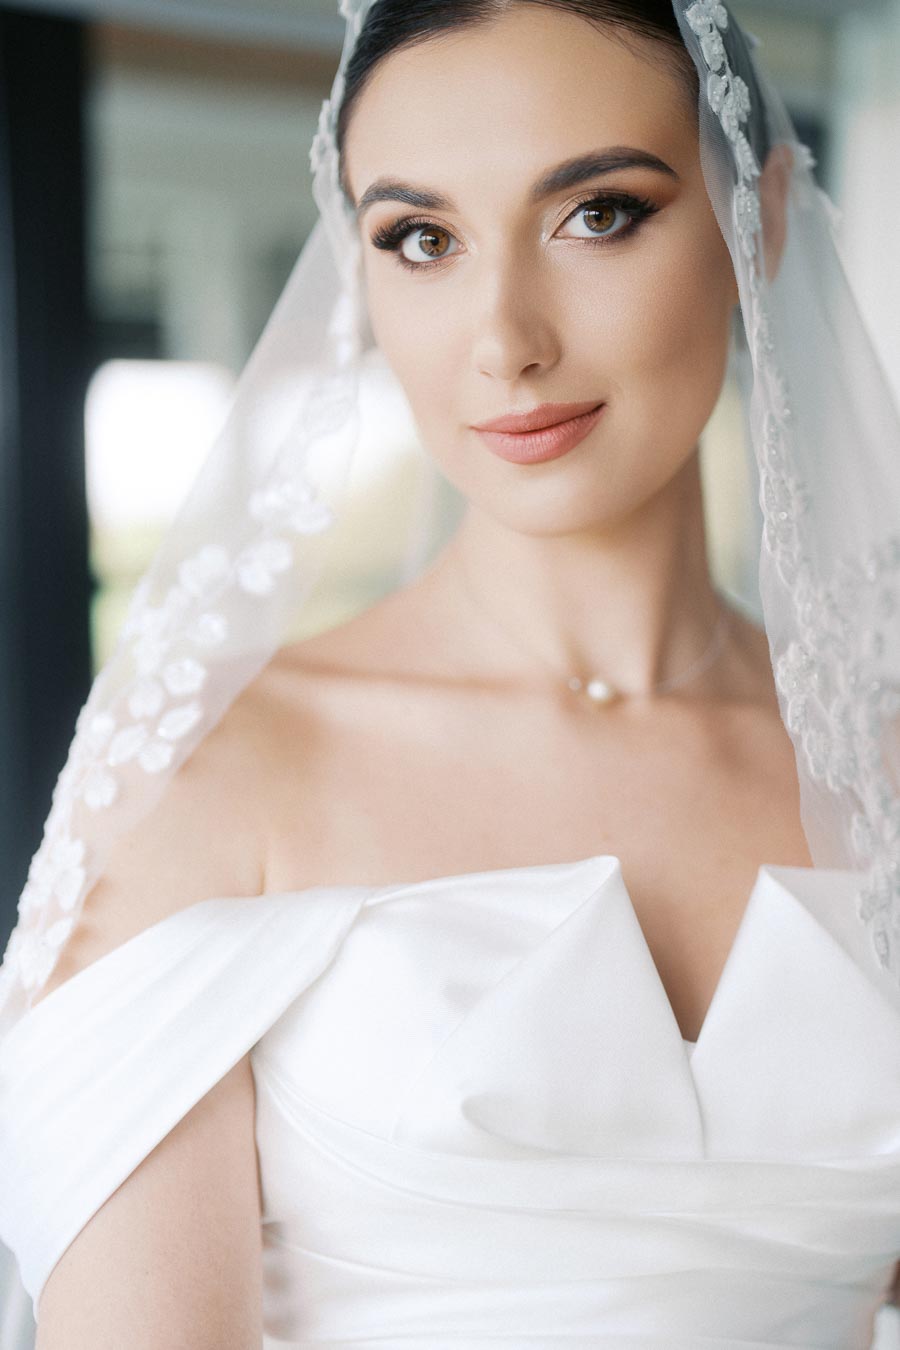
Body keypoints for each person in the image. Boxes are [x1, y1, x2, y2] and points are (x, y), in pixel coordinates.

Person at [2, 0, 900, 1345]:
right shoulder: (210, 784)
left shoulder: (877, 768)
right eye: (420, 239)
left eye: (597, 213)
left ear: (757, 220)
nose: (503, 339)